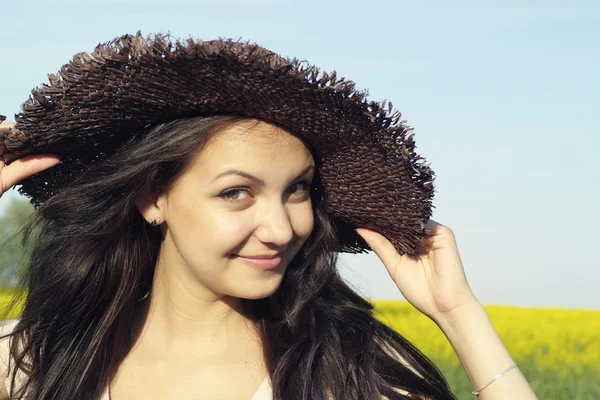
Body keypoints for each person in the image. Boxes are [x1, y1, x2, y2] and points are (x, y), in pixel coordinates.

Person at [0, 32, 538, 400]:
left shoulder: (346, 374)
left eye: (297, 190)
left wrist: (459, 314)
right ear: (153, 198)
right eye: (237, 193)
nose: (281, 229)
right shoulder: (36, 361)